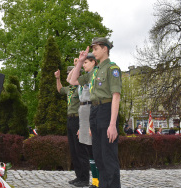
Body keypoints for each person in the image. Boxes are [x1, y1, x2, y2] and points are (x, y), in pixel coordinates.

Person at [69, 37, 121, 188]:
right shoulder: (95, 71)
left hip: (106, 110)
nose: (93, 52)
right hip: (95, 111)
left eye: (96, 48)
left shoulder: (113, 69)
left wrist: (112, 124)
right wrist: (80, 62)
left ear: (105, 49)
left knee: (108, 156)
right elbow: (73, 81)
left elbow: (116, 96)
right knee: (98, 156)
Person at [55, 66, 89, 187]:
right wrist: (58, 79)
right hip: (70, 119)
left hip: (79, 119)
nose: (69, 75)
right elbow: (59, 90)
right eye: (68, 73)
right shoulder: (70, 88)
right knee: (74, 150)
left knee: (81, 150)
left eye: (71, 72)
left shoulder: (81, 87)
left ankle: (85, 178)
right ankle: (79, 176)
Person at [69, 53, 100, 188]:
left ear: (93, 62)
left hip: (90, 109)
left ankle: (97, 180)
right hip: (83, 112)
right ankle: (95, 180)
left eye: (86, 62)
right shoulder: (87, 76)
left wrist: (88, 126)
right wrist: (80, 63)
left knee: (93, 149)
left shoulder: (96, 74)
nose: (84, 65)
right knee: (88, 150)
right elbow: (71, 80)